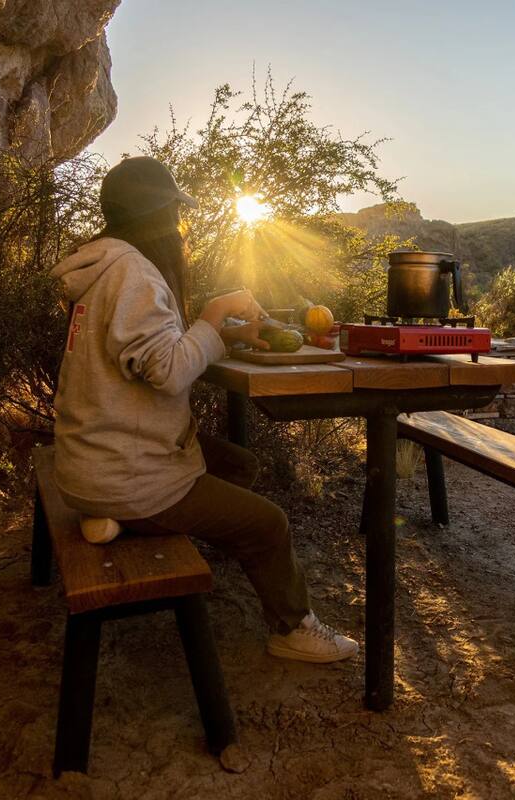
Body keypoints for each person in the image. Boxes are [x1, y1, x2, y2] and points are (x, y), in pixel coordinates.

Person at [49, 156, 357, 664]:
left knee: (238, 465)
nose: (180, 227)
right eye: (175, 214)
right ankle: (292, 629)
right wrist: (215, 315)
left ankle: (119, 518)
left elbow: (147, 352)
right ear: (160, 216)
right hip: (122, 470)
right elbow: (169, 372)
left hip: (91, 454)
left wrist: (225, 336)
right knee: (269, 524)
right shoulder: (134, 273)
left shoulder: (105, 267)